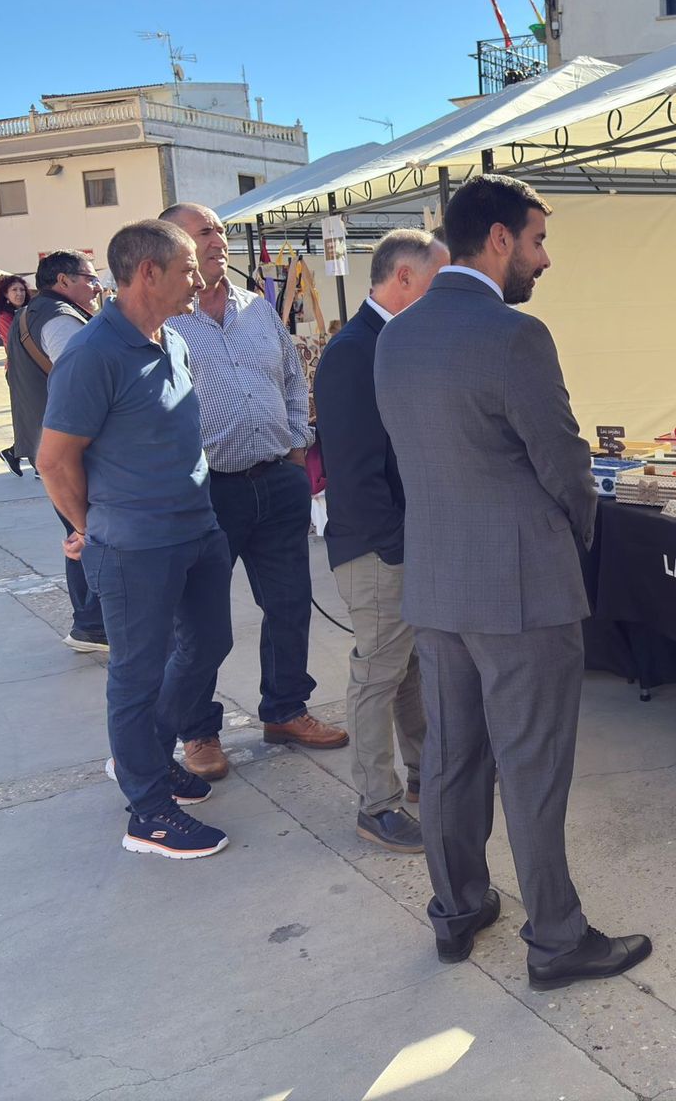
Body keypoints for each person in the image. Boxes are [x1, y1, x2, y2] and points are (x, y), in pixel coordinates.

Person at [375, 175, 651, 985]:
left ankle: (456, 911)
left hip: (438, 582)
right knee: (532, 765)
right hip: (521, 587)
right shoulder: (513, 335)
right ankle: (558, 939)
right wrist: (578, 530)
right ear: (497, 239)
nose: (545, 259)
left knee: (454, 758)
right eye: (536, 241)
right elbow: (565, 461)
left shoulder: (396, 333)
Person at [37, 220, 233, 858]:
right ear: (147, 273)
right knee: (136, 674)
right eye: (186, 269)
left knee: (208, 645)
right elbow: (55, 460)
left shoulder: (171, 339)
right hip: (135, 545)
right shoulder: (92, 355)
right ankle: (147, 812)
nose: (198, 279)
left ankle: (142, 758)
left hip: (196, 528)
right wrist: (91, 529)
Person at [160, 202, 347, 780]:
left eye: (218, 230)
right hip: (205, 493)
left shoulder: (257, 309)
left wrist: (296, 445)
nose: (216, 240)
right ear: (174, 249)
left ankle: (285, 709)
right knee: (201, 624)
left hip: (276, 480)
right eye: (202, 233)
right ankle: (198, 732)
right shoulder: (164, 322)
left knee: (290, 605)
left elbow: (294, 376)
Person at [314, 229, 449, 853]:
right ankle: (378, 804)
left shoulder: (393, 340)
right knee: (379, 673)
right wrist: (395, 545)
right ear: (402, 279)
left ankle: (424, 775)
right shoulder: (354, 351)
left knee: (410, 668)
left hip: (402, 540)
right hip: (376, 546)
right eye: (435, 283)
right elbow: (355, 467)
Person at [6, 251, 109, 650]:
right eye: (89, 277)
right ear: (63, 281)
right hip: (71, 448)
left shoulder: (34, 313)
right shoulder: (60, 317)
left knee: (79, 532)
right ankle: (94, 625)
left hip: (51, 443)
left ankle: (89, 625)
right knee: (90, 533)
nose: (97, 285)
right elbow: (83, 378)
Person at [0, 274, 31, 475]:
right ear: (6, 295)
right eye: (14, 290)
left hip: (32, 371)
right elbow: (17, 344)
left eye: (22, 290)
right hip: (18, 372)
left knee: (35, 415)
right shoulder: (5, 318)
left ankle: (15, 453)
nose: (19, 293)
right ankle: (32, 460)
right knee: (31, 415)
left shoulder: (27, 312)